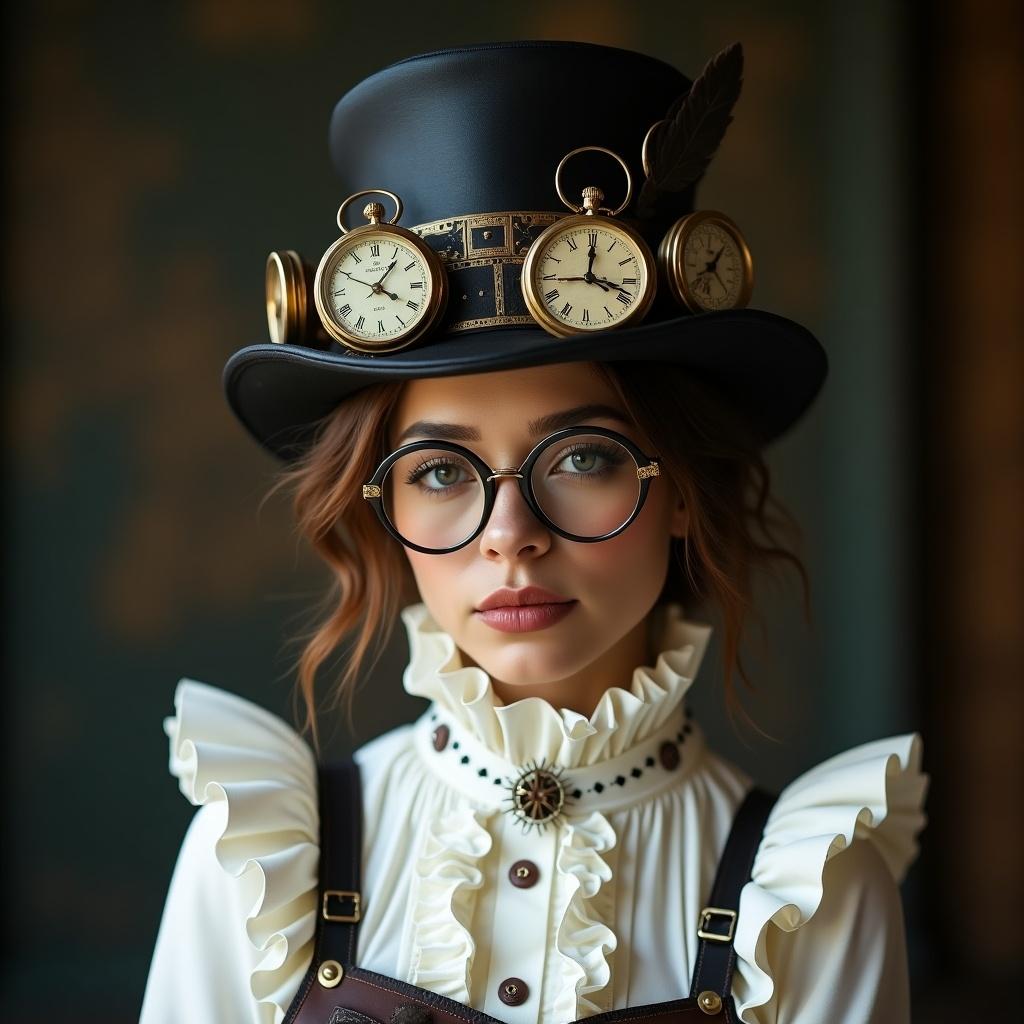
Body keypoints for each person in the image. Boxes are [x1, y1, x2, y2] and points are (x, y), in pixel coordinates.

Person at [140, 41, 929, 1024]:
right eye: (438, 471)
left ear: (682, 487)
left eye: (582, 458)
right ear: (381, 507)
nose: (508, 535)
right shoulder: (255, 859)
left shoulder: (810, 889)